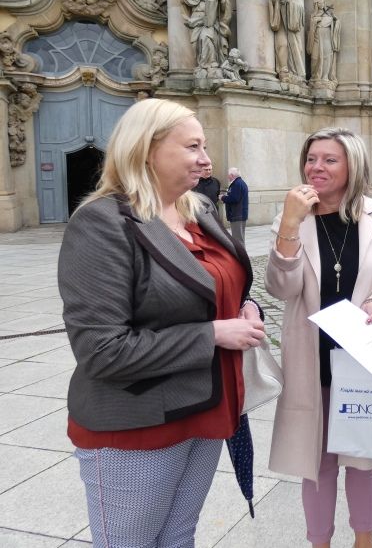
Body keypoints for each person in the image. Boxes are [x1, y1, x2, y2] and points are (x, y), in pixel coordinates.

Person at [58, 98, 266, 547]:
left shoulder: (198, 212)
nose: (207, 159)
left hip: (209, 409)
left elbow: (218, 286)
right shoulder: (102, 223)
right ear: (147, 150)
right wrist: (213, 334)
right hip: (139, 424)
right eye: (192, 146)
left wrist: (246, 307)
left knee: (177, 536)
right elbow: (102, 350)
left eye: (204, 146)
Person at [265, 127, 372, 548]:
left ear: (353, 165)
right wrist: (291, 225)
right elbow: (281, 288)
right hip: (311, 360)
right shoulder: (291, 219)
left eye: (329, 159)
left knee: (362, 461)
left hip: (361, 359)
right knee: (317, 464)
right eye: (311, 158)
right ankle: (320, 542)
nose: (316, 167)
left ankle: (363, 541)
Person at [176, 0, 232, 74]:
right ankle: (202, 63)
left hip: (210, 23)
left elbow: (226, 10)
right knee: (196, 45)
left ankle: (211, 62)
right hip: (195, 23)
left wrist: (222, 1)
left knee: (207, 37)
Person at [308, 0, 341, 83]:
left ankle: (325, 76)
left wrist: (335, 21)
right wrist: (315, 22)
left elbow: (336, 24)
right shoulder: (314, 15)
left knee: (327, 57)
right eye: (320, 3)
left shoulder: (328, 15)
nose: (322, 4)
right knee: (315, 58)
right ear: (316, 5)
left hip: (327, 39)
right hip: (317, 39)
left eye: (323, 3)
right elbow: (311, 28)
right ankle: (315, 76)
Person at [221, 167, 249, 243]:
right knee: (240, 238)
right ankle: (242, 254)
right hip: (240, 214)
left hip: (237, 214)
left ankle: (240, 255)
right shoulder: (240, 183)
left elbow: (234, 198)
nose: (227, 177)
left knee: (238, 239)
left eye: (228, 175)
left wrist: (222, 198)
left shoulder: (236, 184)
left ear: (232, 175)